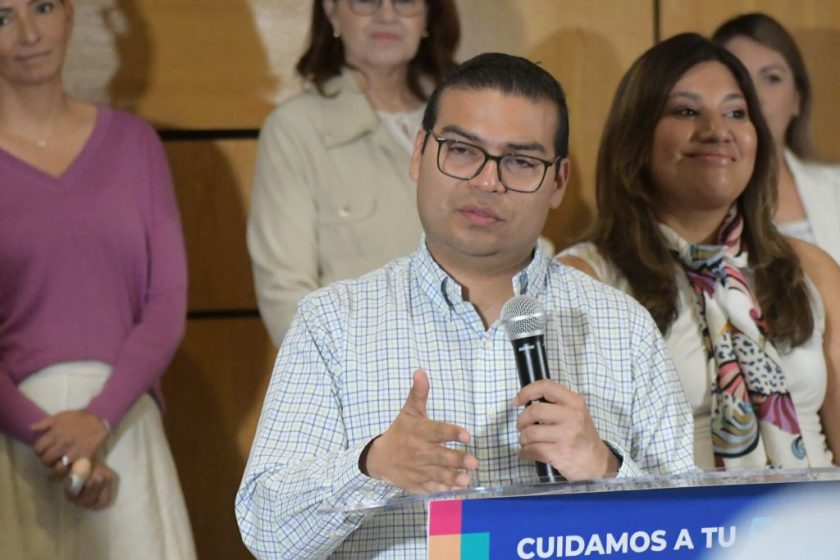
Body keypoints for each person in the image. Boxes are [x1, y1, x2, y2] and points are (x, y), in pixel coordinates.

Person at [236, 52, 695, 559]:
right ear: (419, 153)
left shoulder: (621, 325)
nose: (487, 181)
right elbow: (268, 535)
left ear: (558, 182)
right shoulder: (334, 321)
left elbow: (693, 537)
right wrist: (371, 465)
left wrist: (605, 469)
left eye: (521, 162)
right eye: (461, 150)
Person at [559, 33, 840, 471]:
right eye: (687, 111)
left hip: (814, 511)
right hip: (669, 514)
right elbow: (578, 466)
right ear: (637, 136)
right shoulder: (584, 280)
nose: (717, 131)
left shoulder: (811, 268)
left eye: (736, 112)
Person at [0, 1, 196, 558]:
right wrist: (55, 445)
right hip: (15, 444)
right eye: (2, 17)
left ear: (69, 16)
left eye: (42, 7)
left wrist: (99, 419)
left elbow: (166, 303)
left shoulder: (135, 144)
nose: (29, 34)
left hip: (125, 426)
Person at [247, 0, 460, 347]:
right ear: (332, 11)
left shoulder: (467, 119)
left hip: (478, 363)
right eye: (366, 0)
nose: (387, 15)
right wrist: (360, 376)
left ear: (428, 15)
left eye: (405, 1)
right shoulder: (295, 129)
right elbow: (284, 291)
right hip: (361, 369)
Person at [712, 13, 840, 264]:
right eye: (739, 78)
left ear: (797, 99)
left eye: (772, 78)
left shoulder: (835, 187)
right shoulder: (693, 205)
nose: (755, 95)